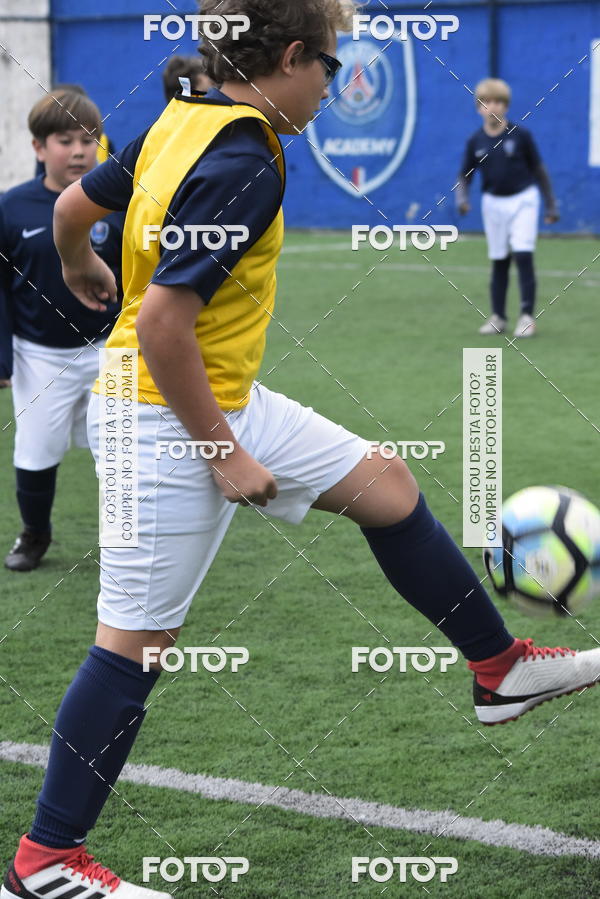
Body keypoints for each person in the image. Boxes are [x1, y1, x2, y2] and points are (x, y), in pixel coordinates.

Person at [3, 4, 598, 897]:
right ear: (289, 58)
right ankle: (43, 863)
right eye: (329, 64)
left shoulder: (186, 113)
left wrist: (79, 257)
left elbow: (77, 202)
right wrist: (223, 452)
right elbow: (164, 323)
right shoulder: (245, 156)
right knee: (135, 644)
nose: (331, 83)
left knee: (388, 486)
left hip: (216, 391)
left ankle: (498, 668)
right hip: (162, 411)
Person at [0, 88, 124, 572]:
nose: (78, 150)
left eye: (88, 139)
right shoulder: (11, 208)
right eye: (64, 140)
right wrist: (4, 355)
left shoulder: (116, 202)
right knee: (37, 450)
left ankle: (122, 543)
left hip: (112, 350)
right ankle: (34, 535)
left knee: (120, 450)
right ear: (38, 148)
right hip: (39, 354)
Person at [457, 78, 559, 338]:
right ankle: (499, 317)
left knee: (523, 255)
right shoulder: (475, 141)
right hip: (493, 204)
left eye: (498, 101)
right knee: (499, 260)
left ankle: (526, 317)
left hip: (523, 200)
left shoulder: (521, 136)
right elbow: (465, 175)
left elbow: (539, 169)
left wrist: (550, 204)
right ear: (479, 107)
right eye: (486, 101)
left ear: (506, 106)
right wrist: (462, 198)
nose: (492, 106)